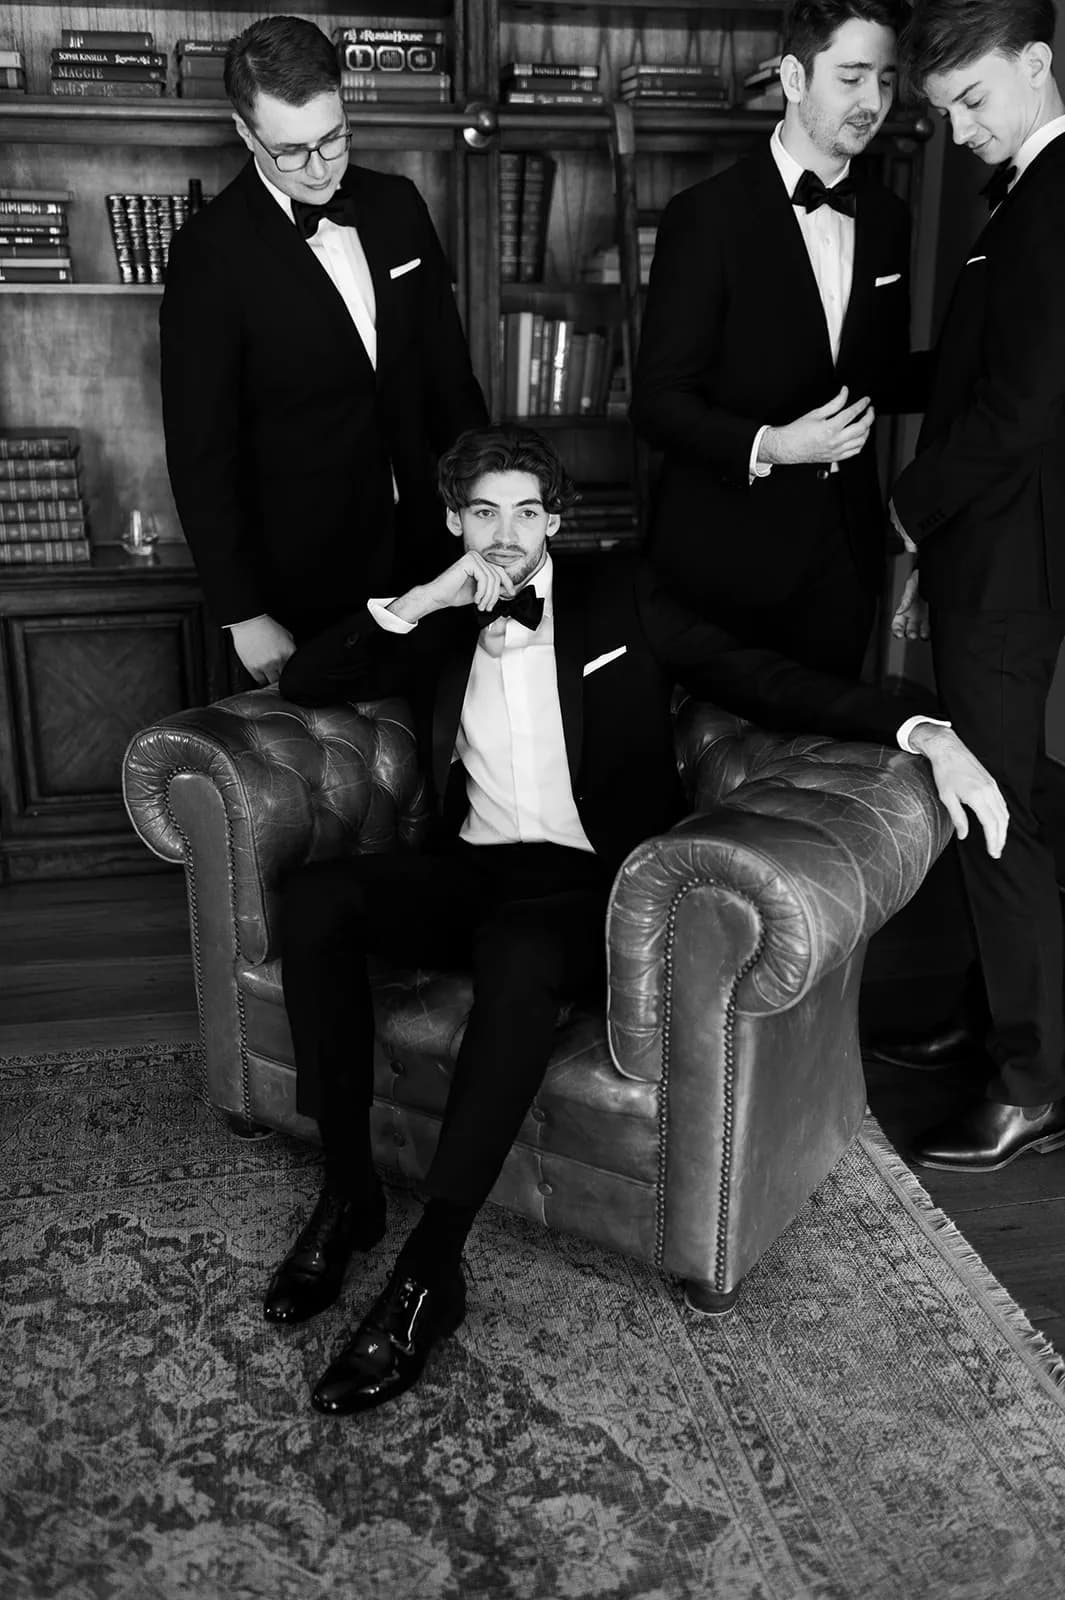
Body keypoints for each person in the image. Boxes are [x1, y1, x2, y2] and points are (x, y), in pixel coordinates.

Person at [267, 424, 1006, 1418]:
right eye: (483, 511)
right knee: (317, 897)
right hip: (472, 869)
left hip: (594, 889)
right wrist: (428, 599)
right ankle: (349, 1188)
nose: (505, 533)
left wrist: (927, 732)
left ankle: (428, 1268)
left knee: (524, 953)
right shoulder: (442, 608)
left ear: (557, 520)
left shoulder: (626, 597)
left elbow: (768, 679)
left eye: (527, 510)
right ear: (454, 519)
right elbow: (309, 681)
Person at [159, 15, 488, 685]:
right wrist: (241, 612)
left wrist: (491, 518)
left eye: (332, 138)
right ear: (244, 131)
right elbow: (200, 452)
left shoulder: (398, 205)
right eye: (291, 150)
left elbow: (450, 381)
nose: (318, 167)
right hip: (300, 582)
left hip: (435, 555)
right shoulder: (208, 253)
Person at [881, 0, 1065, 1172]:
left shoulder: (1057, 199)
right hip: (993, 547)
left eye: (973, 102)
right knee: (985, 797)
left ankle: (1032, 1078)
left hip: (1006, 557)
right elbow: (971, 374)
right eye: (944, 113)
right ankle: (980, 1009)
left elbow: (1020, 409)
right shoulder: (1028, 197)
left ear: (1040, 65)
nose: (958, 132)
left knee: (995, 812)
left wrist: (906, 509)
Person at [631, 0, 924, 678]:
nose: (871, 101)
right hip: (721, 560)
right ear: (794, 78)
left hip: (842, 568)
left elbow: (877, 375)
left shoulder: (887, 217)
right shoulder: (704, 217)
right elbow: (657, 403)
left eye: (883, 79)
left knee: (821, 770)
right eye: (849, 77)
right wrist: (774, 446)